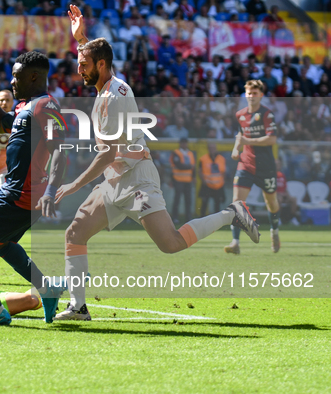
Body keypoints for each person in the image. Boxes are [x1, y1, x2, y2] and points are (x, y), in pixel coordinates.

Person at [51, 5, 260, 322]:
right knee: (75, 233)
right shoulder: (105, 83)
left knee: (171, 244)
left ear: (102, 65)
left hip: (137, 179)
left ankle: (233, 212)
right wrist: (81, 37)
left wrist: (75, 185)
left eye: (83, 64)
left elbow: (108, 153)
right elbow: (92, 55)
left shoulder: (112, 97)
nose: (78, 69)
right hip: (115, 181)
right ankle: (78, 307)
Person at [0, 51, 68, 325]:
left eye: (17, 76)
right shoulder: (25, 107)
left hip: (22, 194)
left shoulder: (46, 106)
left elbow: (60, 152)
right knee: (1, 242)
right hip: (18, 191)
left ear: (34, 76)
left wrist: (50, 191)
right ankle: (47, 288)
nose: (11, 81)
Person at [228, 79, 280, 254]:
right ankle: (235, 242)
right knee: (237, 203)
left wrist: (246, 141)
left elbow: (272, 139)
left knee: (271, 203)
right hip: (246, 164)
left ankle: (274, 231)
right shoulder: (240, 114)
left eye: (255, 93)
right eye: (249, 93)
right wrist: (236, 148)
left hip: (265, 167)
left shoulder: (267, 114)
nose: (251, 96)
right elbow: (240, 135)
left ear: (261, 95)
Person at [170, 137, 195, 223]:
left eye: (185, 143)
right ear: (180, 144)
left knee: (188, 200)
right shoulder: (176, 153)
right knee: (177, 200)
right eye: (183, 143)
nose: (184, 144)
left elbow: (193, 167)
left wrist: (193, 176)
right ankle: (175, 217)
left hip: (188, 180)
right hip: (178, 179)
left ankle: (188, 218)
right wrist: (189, 167)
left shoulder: (190, 153)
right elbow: (178, 165)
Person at [199, 142, 226, 216]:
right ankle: (202, 219)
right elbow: (200, 170)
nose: (212, 150)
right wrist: (203, 180)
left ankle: (216, 220)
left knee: (217, 204)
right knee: (204, 203)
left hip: (218, 185)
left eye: (213, 148)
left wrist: (222, 181)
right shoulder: (203, 159)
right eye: (210, 148)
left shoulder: (221, 159)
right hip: (207, 184)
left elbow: (223, 172)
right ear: (208, 149)